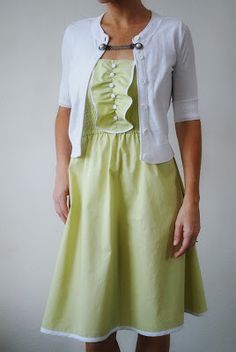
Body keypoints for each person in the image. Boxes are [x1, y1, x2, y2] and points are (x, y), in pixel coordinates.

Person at [40, 1, 208, 351]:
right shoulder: (75, 35)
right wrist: (61, 171)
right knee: (95, 322)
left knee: (154, 316)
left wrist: (191, 199)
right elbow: (64, 108)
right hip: (91, 187)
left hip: (153, 188)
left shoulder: (174, 33)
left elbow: (188, 119)